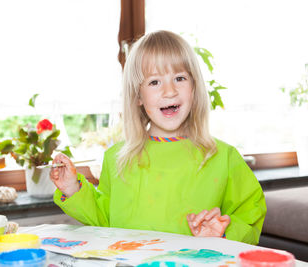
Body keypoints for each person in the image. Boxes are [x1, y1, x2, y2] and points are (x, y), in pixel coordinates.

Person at [50, 30, 266, 245]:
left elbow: (250, 216)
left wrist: (223, 233)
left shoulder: (223, 157)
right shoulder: (116, 158)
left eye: (179, 78)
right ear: (137, 95)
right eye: (154, 82)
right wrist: (72, 189)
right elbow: (105, 221)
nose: (169, 91)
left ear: (194, 88)